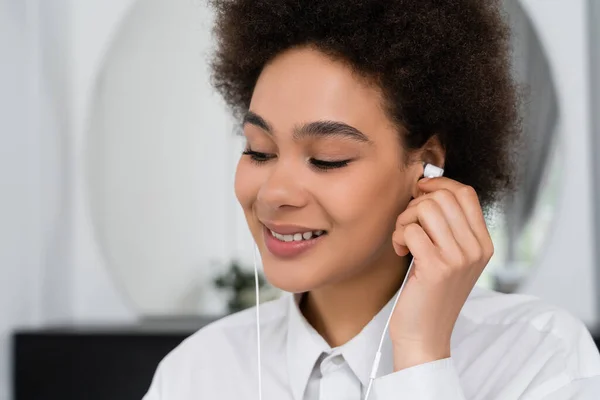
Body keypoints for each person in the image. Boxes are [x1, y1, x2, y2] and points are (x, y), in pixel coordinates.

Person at [143, 0, 600, 398]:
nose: (273, 193)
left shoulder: (539, 354)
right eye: (258, 151)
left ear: (427, 167)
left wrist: (421, 352)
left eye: (327, 158)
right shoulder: (195, 373)